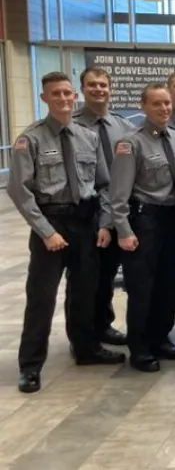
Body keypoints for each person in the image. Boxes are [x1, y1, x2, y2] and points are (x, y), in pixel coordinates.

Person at [8, 72, 124, 393]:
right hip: (52, 223)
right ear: (44, 98)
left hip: (86, 222)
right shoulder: (30, 139)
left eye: (67, 94)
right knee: (41, 298)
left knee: (84, 291)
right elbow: (19, 190)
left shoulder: (87, 136)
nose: (63, 99)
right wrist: (46, 232)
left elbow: (103, 184)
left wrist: (104, 223)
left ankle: (85, 349)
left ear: (76, 97)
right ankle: (30, 366)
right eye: (55, 94)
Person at [110, 83, 175, 372]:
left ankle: (161, 338)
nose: (164, 108)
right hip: (144, 222)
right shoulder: (131, 143)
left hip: (173, 220)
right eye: (157, 104)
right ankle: (140, 347)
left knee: (169, 284)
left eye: (167, 103)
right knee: (143, 288)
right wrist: (124, 230)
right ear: (144, 107)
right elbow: (118, 194)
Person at [72, 66, 135, 346]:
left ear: (110, 89)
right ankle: (82, 338)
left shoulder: (124, 127)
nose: (98, 89)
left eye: (103, 85)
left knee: (108, 273)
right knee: (83, 279)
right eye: (92, 85)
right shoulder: (71, 126)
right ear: (83, 88)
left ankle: (103, 325)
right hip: (85, 212)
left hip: (118, 211)